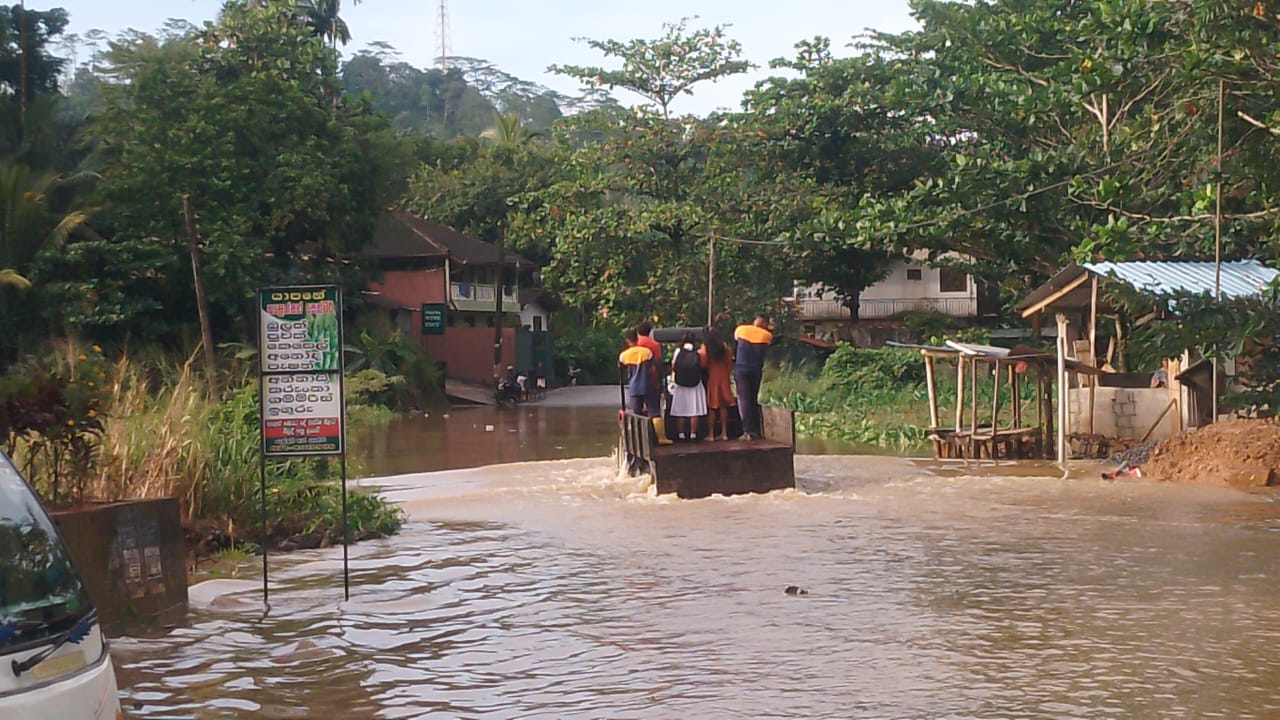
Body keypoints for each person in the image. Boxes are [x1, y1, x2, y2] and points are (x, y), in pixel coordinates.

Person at [733, 314, 773, 440]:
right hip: (755, 370)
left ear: (755, 321)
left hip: (741, 369)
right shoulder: (767, 336)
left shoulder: (741, 329)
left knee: (744, 400)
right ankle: (755, 430)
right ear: (765, 324)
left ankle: (747, 431)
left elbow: (736, 342)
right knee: (752, 398)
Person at [669, 331, 708, 441]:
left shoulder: (678, 351)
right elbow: (702, 366)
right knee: (694, 410)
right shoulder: (698, 351)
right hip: (695, 384)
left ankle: (681, 434)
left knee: (680, 410)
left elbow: (673, 366)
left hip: (680, 384)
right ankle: (693, 434)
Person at [699, 325, 735, 441]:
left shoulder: (706, 346)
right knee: (723, 405)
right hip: (723, 375)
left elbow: (703, 362)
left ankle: (711, 434)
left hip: (713, 376)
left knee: (712, 406)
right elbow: (729, 362)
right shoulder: (723, 346)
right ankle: (724, 433)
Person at [619, 329, 658, 416]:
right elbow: (653, 370)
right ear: (637, 339)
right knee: (653, 412)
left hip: (634, 388)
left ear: (627, 340)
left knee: (636, 413)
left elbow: (621, 369)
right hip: (648, 386)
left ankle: (638, 428)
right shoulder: (647, 352)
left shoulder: (623, 356)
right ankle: (655, 428)